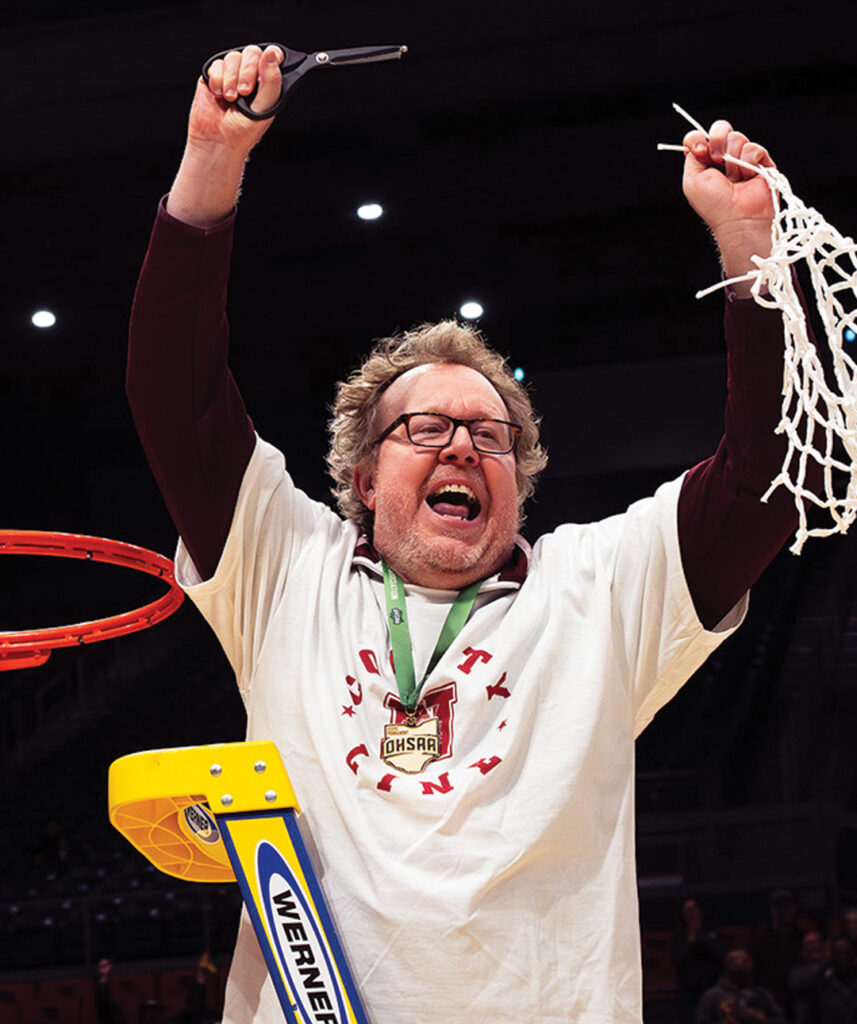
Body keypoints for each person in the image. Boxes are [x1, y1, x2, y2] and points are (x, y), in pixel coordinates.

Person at [127, 43, 810, 1024]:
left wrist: (750, 249)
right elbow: (172, 394)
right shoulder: (285, 569)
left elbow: (768, 472)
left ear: (518, 481)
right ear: (362, 478)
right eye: (424, 427)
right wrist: (210, 158)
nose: (459, 446)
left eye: (488, 435)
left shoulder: (602, 588)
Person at [695, 949, 786, 1024]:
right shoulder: (713, 996)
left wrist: (759, 1020)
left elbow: (782, 1020)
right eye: (744, 961)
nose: (749, 964)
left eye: (750, 960)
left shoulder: (761, 994)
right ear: (729, 966)